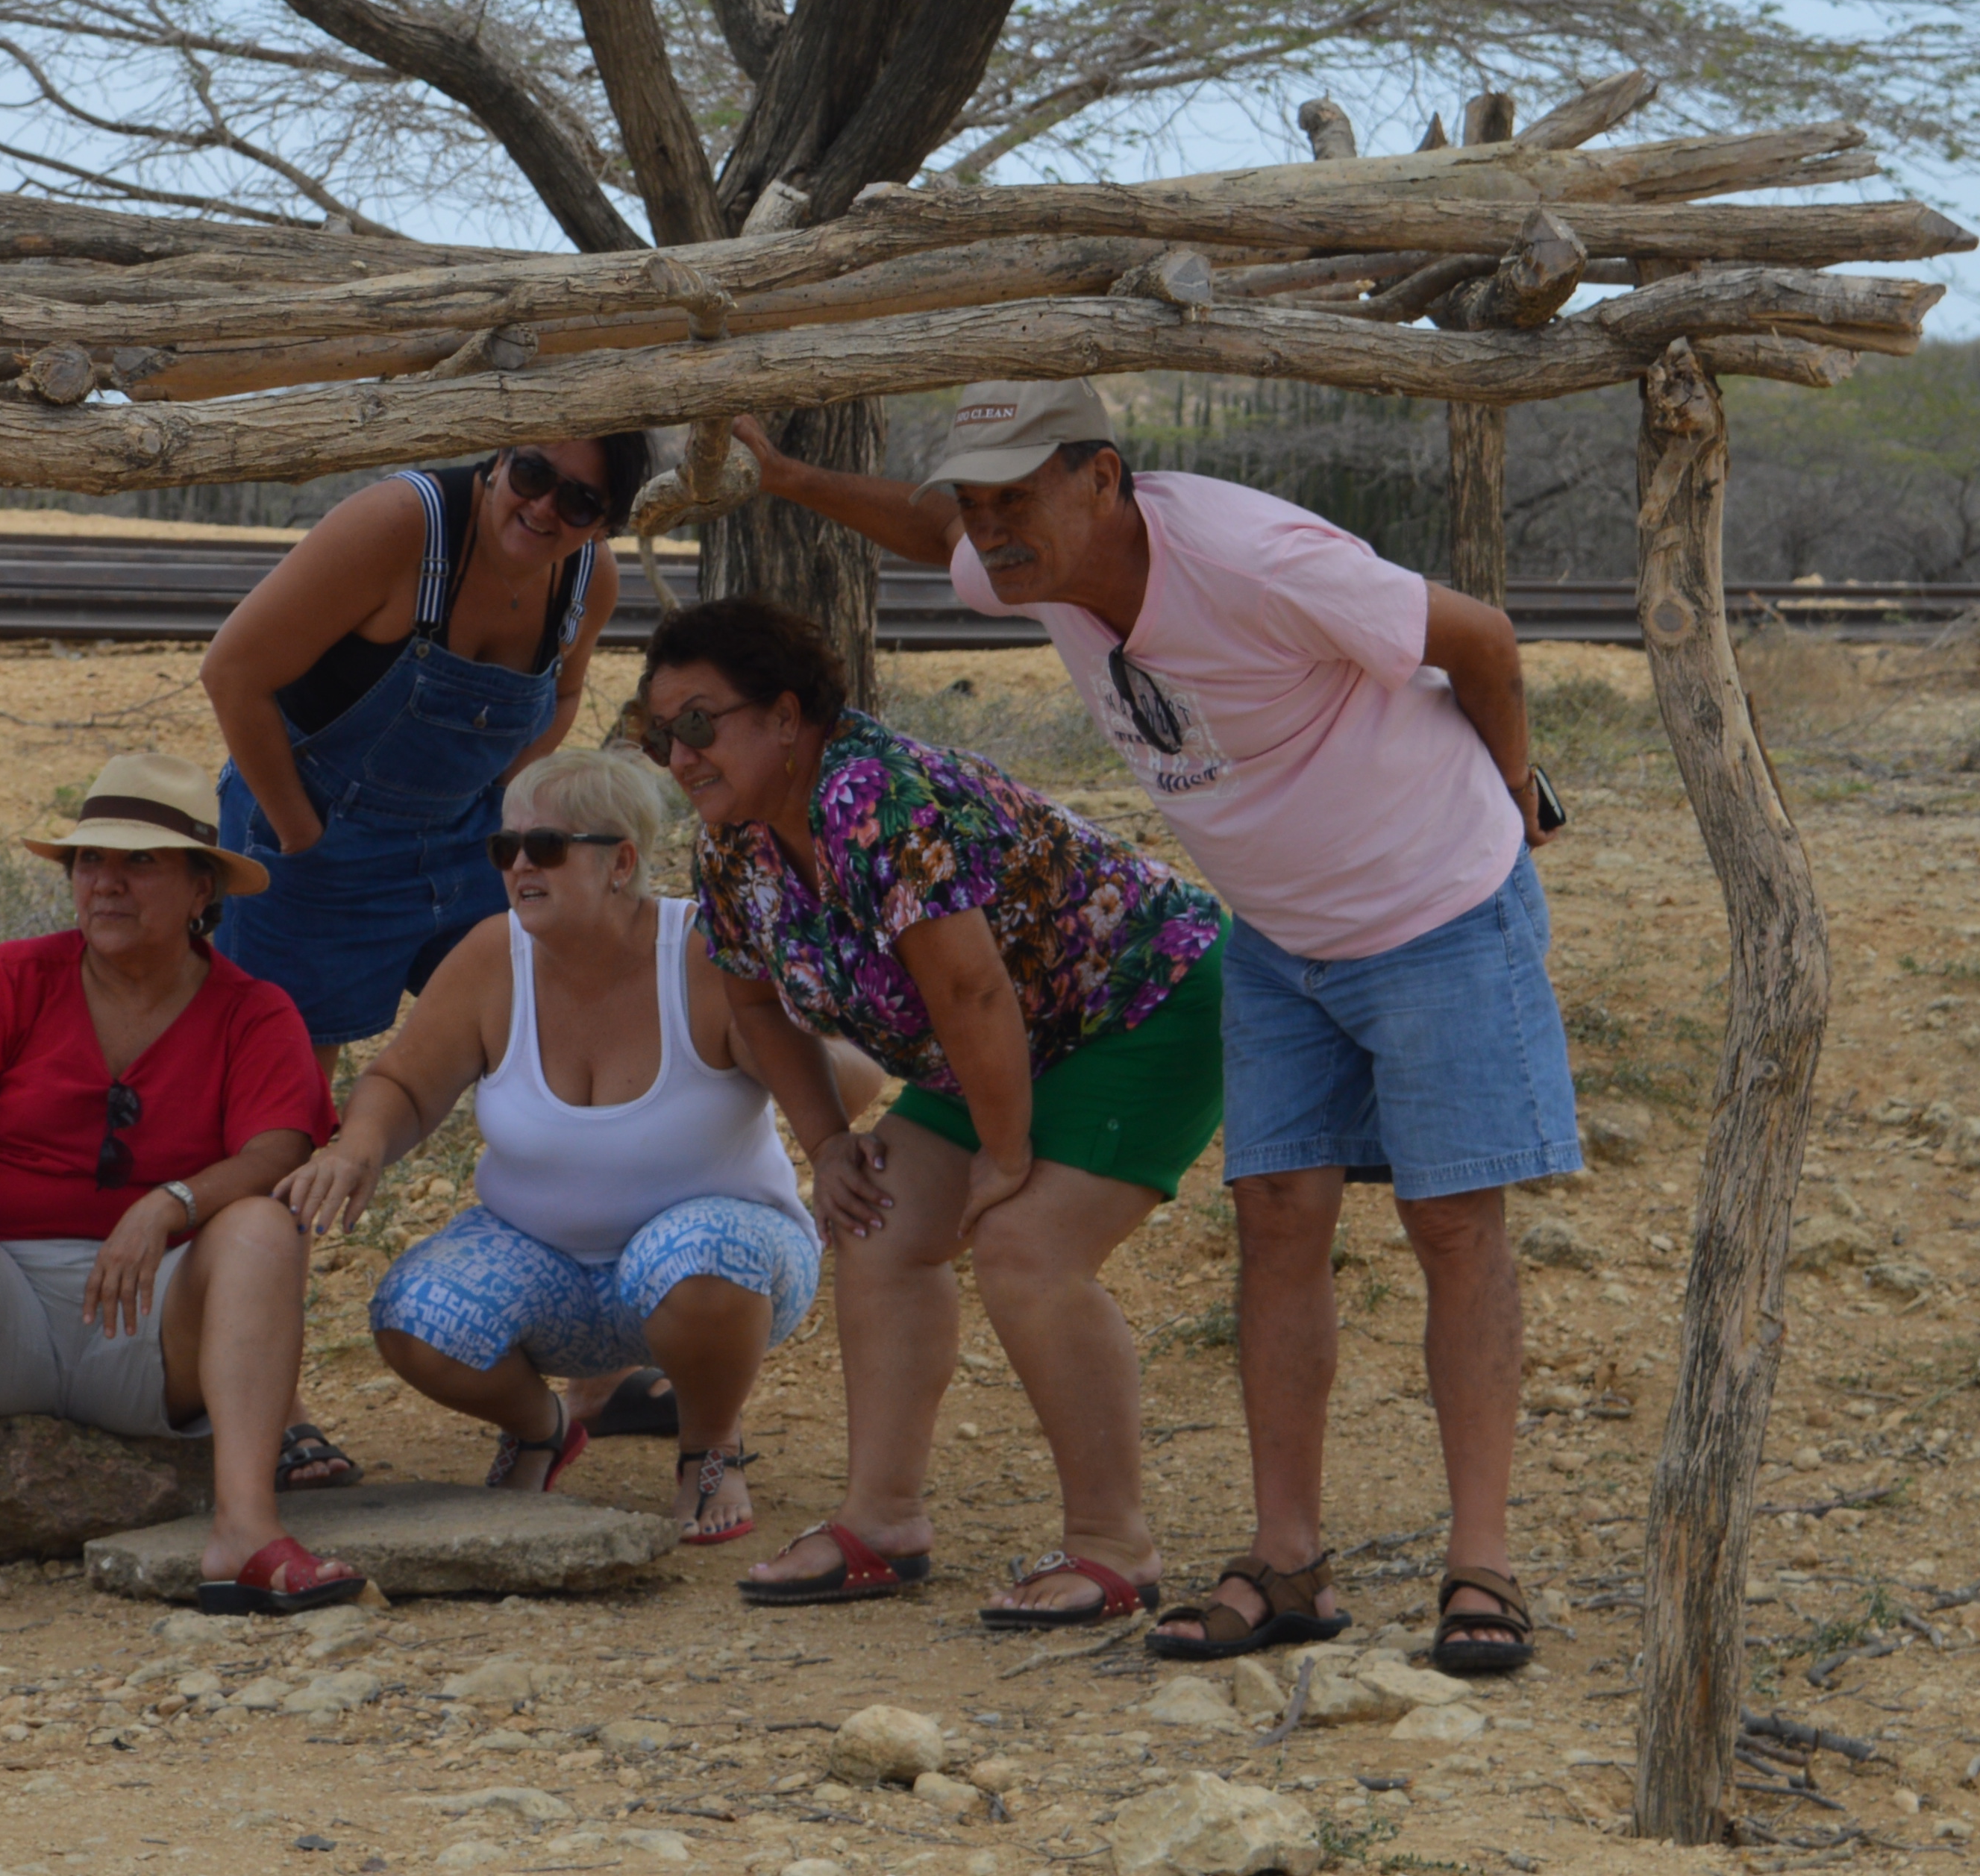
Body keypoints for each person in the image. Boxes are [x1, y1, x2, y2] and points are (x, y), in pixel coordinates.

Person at [730, 380, 1571, 1678]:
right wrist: (788, 478)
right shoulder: (1026, 566)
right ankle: (1284, 1559)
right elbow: (923, 526)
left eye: (1020, 496)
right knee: (1279, 1219)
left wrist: (1514, 801)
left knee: (1452, 1223)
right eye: (980, 502)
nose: (992, 529)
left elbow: (1484, 639)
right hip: (1281, 938)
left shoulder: (1251, 559)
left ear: (1105, 477)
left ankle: (1486, 1567)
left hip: (1435, 905)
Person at [636, 596, 1229, 1627]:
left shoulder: (873, 794)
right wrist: (828, 1144)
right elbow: (749, 998)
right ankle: (884, 1523)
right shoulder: (734, 839)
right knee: (878, 1222)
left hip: (1141, 1001)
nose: (680, 755)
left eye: (699, 722)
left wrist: (1005, 1154)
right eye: (658, 734)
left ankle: (1112, 1547)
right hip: (1004, 1040)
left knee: (1025, 1247)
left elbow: (971, 991)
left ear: (785, 716)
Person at [198, 434, 642, 1481]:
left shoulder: (590, 578)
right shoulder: (405, 527)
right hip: (317, 841)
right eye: (531, 475)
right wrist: (300, 836)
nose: (545, 510)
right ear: (495, 458)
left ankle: (605, 1374)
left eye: (580, 502)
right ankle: (274, 1407)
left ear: (605, 522)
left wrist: (507, 815)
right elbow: (234, 674)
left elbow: (568, 697)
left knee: (583, 1047)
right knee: (284, 1117)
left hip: (465, 842)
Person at [0, 753, 366, 1617]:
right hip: (0, 1309)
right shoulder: (8, 980)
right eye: (91, 860)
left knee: (264, 1229)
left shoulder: (254, 1010)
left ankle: (244, 1529)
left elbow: (279, 1150)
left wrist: (170, 1204)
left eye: (141, 862)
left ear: (203, 888)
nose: (107, 884)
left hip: (158, 1328)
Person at [272, 743, 819, 1549]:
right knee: (413, 1316)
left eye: (547, 847)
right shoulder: (494, 955)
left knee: (699, 1251)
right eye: (506, 848)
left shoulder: (705, 951)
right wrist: (358, 1146)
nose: (520, 865)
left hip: (725, 1275)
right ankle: (542, 1425)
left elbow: (838, 1073)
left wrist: (801, 1064)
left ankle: (709, 1443)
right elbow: (406, 1084)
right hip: (549, 1267)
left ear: (621, 861)